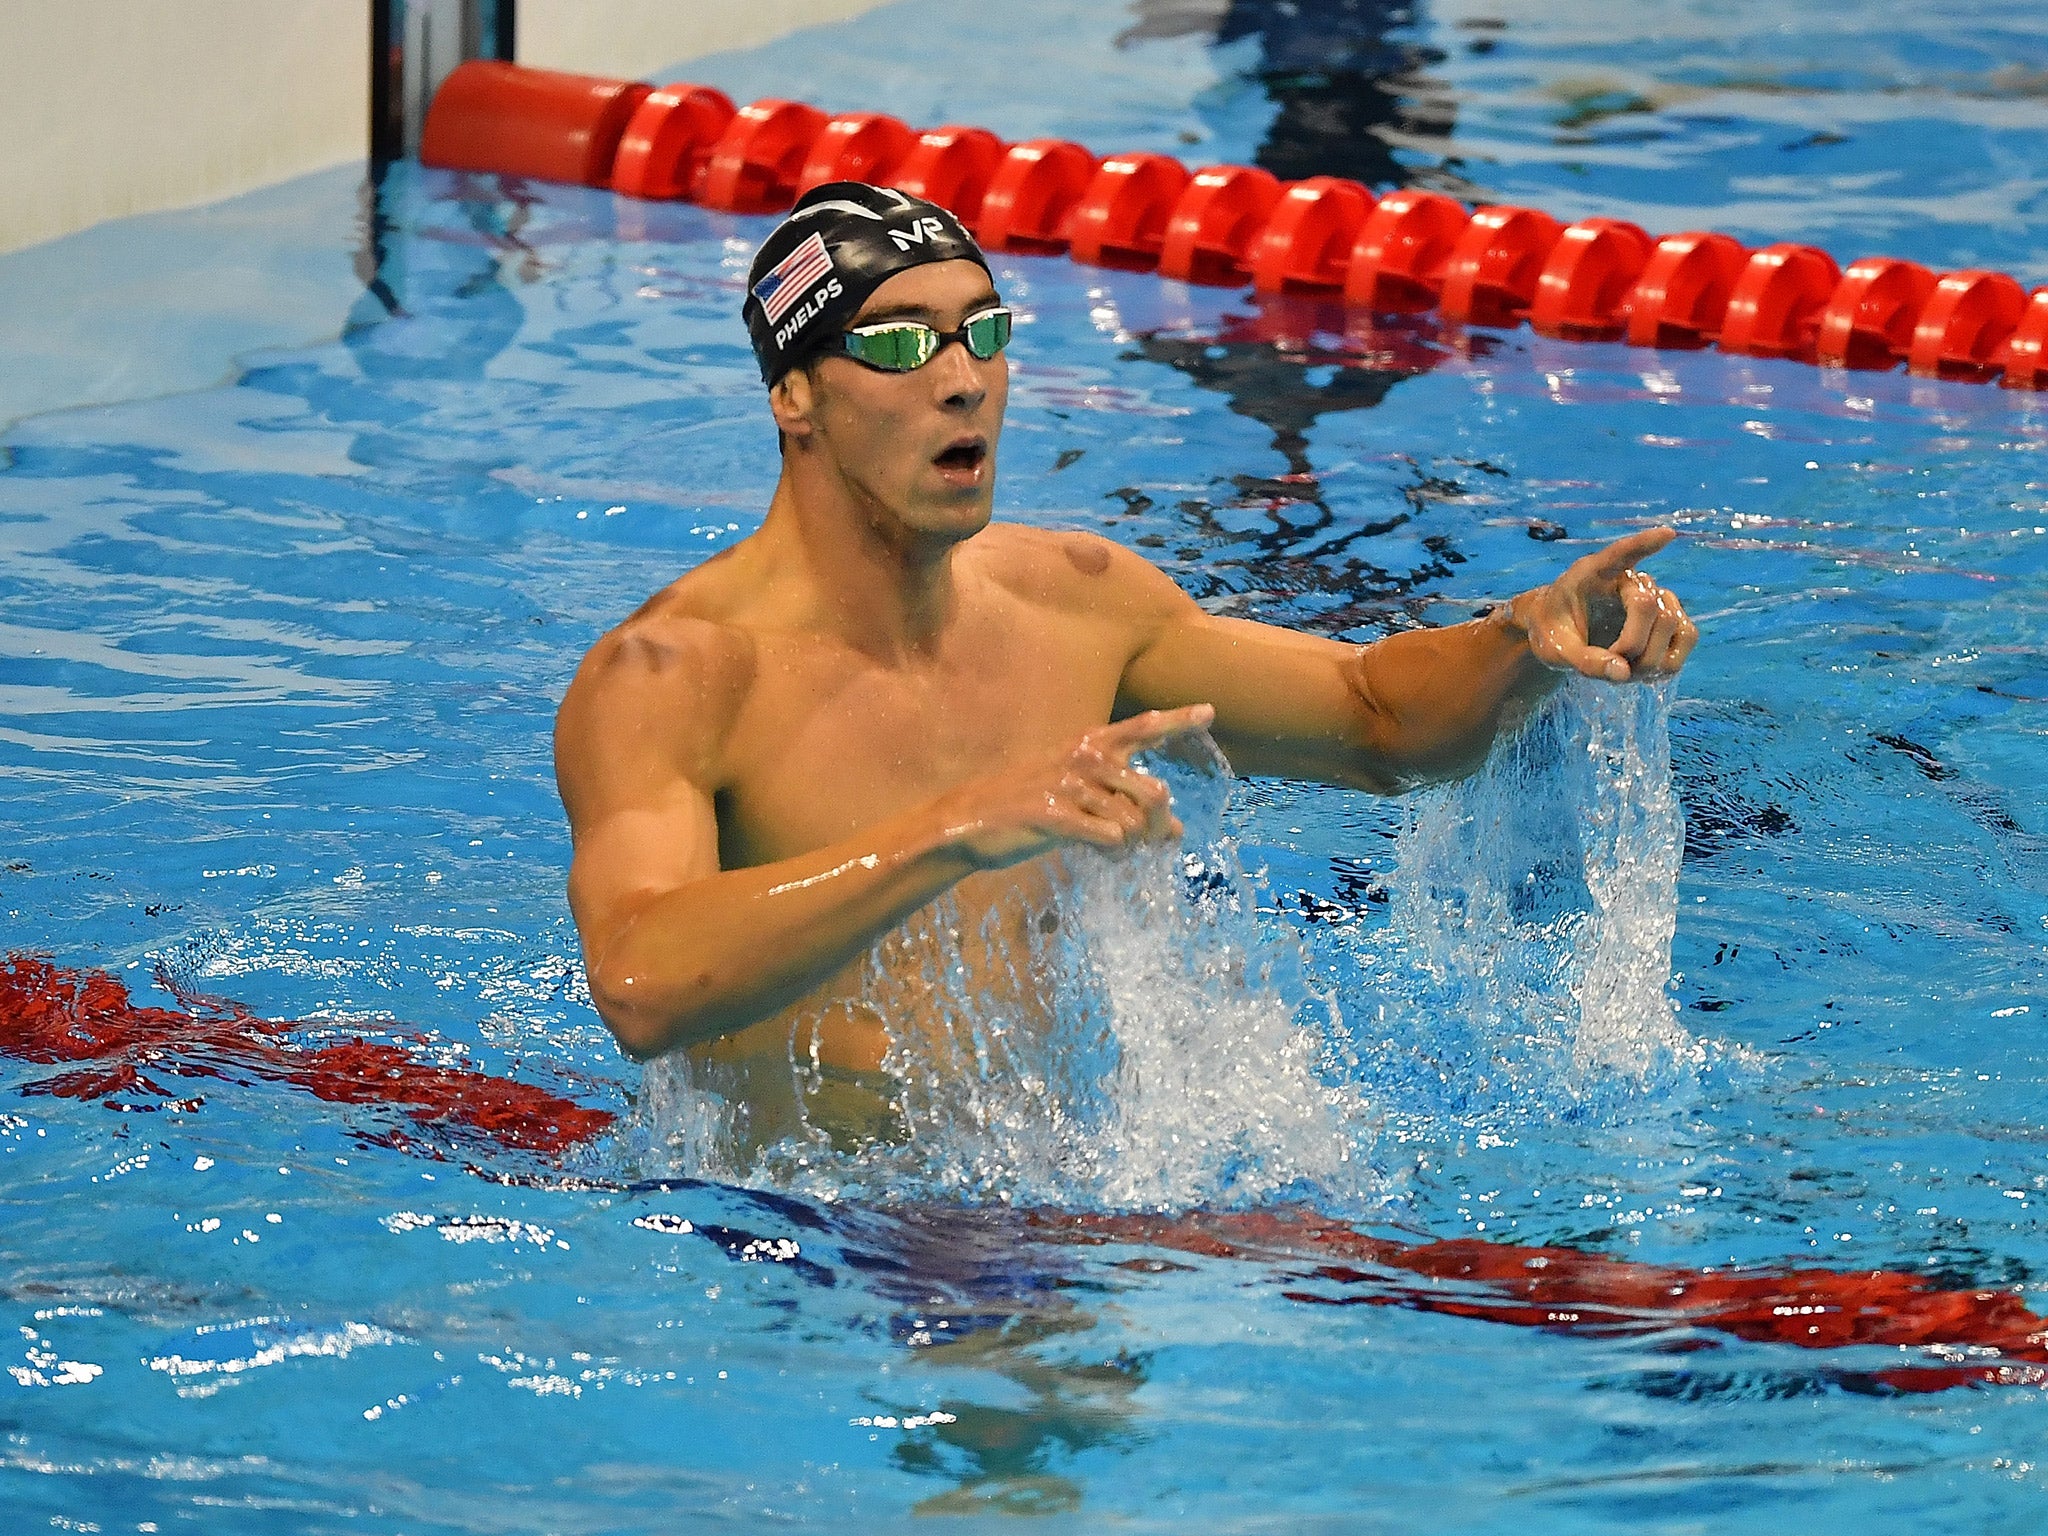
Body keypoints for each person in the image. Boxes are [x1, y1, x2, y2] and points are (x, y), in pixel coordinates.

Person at [553, 182, 1696, 1141]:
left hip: (1049, 1187)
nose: (960, 379)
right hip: (803, 1242)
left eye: (982, 332)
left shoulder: (1073, 603)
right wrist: (947, 829)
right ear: (792, 394)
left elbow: (1376, 725)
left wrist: (1525, 640)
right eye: (899, 344)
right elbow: (642, 982)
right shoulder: (674, 676)